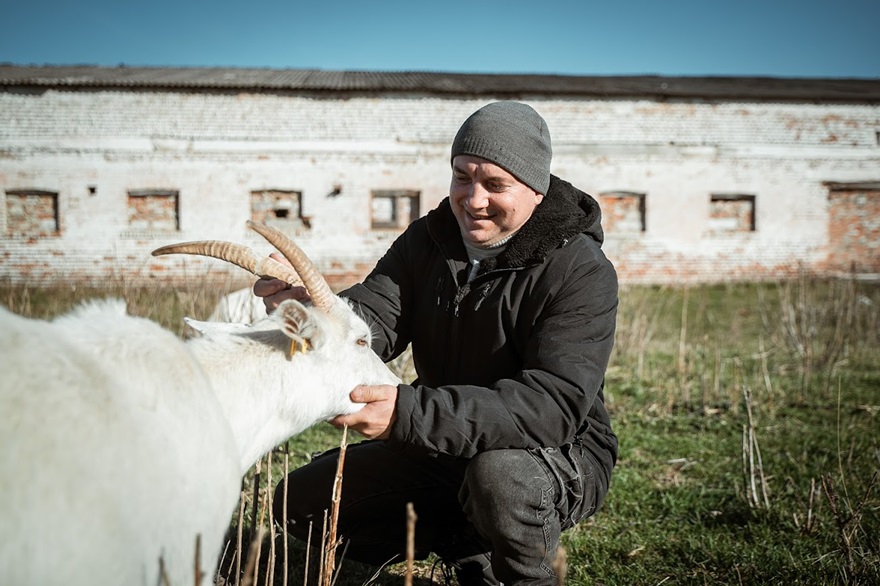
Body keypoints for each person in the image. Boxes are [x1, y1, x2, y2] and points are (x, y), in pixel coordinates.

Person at [255, 101, 618, 585]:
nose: (473, 199)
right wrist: (314, 319)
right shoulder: (428, 239)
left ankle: (526, 572)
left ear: (535, 188)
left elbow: (550, 407)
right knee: (298, 503)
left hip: (554, 452)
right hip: (444, 443)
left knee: (501, 481)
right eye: (462, 177)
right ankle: (468, 544)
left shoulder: (580, 270)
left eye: (495, 184)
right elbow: (374, 317)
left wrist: (406, 414)